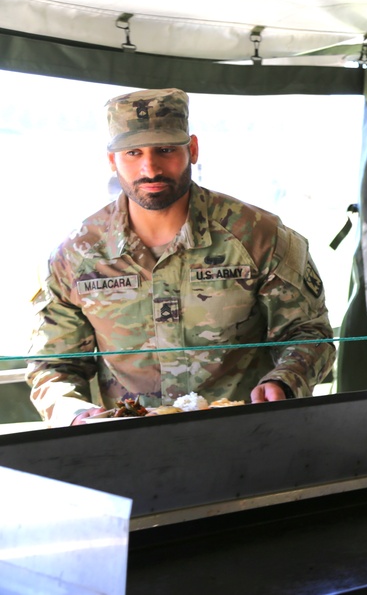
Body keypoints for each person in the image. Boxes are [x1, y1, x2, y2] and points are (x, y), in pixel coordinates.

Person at [27, 88, 337, 426]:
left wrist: (284, 381)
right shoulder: (76, 255)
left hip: (245, 433)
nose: (150, 167)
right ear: (112, 160)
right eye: (133, 153)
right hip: (129, 444)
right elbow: (54, 364)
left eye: (165, 150)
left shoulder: (259, 235)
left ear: (192, 149)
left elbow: (309, 333)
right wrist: (73, 413)